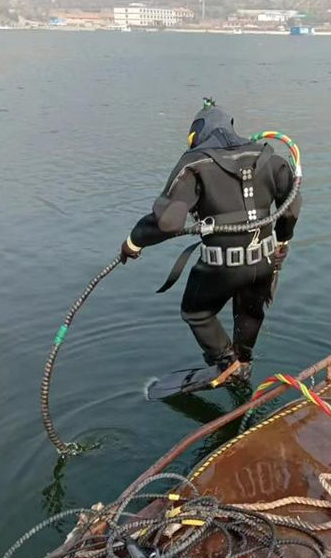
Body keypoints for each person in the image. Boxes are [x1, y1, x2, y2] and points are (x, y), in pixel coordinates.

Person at [120, 99, 301, 383]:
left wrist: (133, 241)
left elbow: (168, 222)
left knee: (197, 312)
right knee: (250, 311)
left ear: (196, 135)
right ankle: (243, 360)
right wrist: (283, 241)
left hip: (221, 267)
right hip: (265, 262)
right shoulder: (270, 157)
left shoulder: (194, 163)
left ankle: (227, 363)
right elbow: (290, 207)